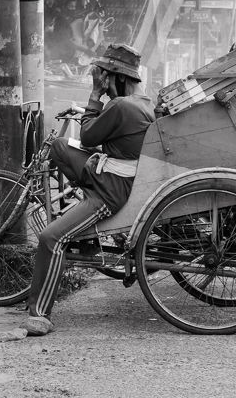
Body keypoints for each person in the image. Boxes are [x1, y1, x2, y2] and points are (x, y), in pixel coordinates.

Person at [21, 44, 156, 337]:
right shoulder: (142, 102)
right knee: (59, 146)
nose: (103, 86)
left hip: (111, 191)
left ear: (118, 78)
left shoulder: (119, 106)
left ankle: (39, 313)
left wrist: (94, 97)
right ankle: (83, 222)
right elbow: (104, 130)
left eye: (104, 78)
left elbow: (87, 135)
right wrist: (89, 110)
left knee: (51, 238)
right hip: (117, 176)